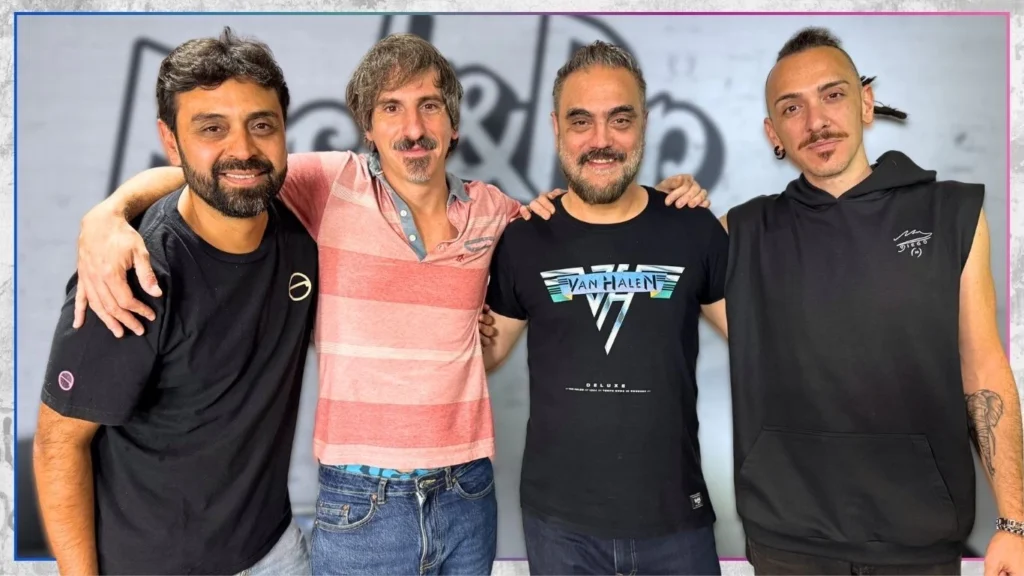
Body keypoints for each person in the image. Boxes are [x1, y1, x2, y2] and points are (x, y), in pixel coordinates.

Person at [68, 33, 709, 574]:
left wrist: (669, 197)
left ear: (453, 124)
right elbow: (224, 171)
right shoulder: (327, 185)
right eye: (391, 109)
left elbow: (585, 218)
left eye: (430, 106)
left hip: (468, 493)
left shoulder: (497, 213)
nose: (414, 128)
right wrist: (109, 213)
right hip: (361, 503)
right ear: (368, 127)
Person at [522, 26, 1024, 576]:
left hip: (919, 537)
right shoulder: (741, 230)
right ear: (773, 133)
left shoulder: (949, 214)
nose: (816, 121)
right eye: (792, 108)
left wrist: (1015, 522)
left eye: (833, 95)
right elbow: (634, 242)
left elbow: (983, 370)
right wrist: (571, 210)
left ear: (866, 103)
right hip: (787, 540)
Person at [33, 28, 315, 575]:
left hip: (274, 550)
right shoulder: (129, 276)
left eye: (261, 125)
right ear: (171, 139)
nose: (243, 149)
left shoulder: (302, 224)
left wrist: (112, 205)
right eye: (212, 128)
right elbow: (57, 446)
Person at [480, 41, 728, 575]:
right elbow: (485, 353)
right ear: (556, 128)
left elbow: (761, 335)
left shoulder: (693, 227)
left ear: (644, 123)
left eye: (620, 119)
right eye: (580, 121)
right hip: (560, 529)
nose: (600, 141)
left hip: (676, 520)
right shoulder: (524, 238)